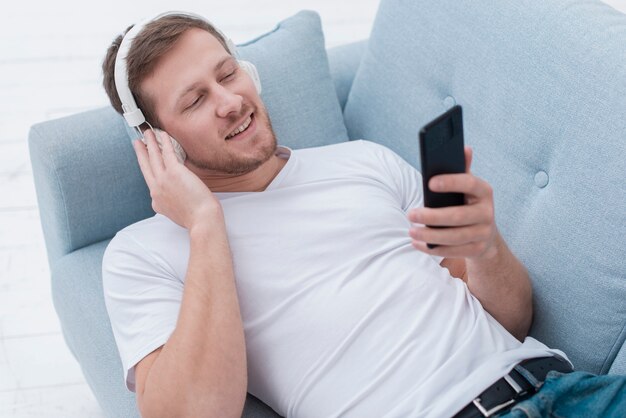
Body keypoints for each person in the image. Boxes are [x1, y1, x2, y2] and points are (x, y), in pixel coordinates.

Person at [100, 12, 625, 418]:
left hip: (564, 390)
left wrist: (485, 246)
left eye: (228, 74)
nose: (230, 101)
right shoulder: (143, 253)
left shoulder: (363, 162)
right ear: (157, 141)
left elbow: (510, 321)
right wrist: (206, 224)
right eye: (195, 100)